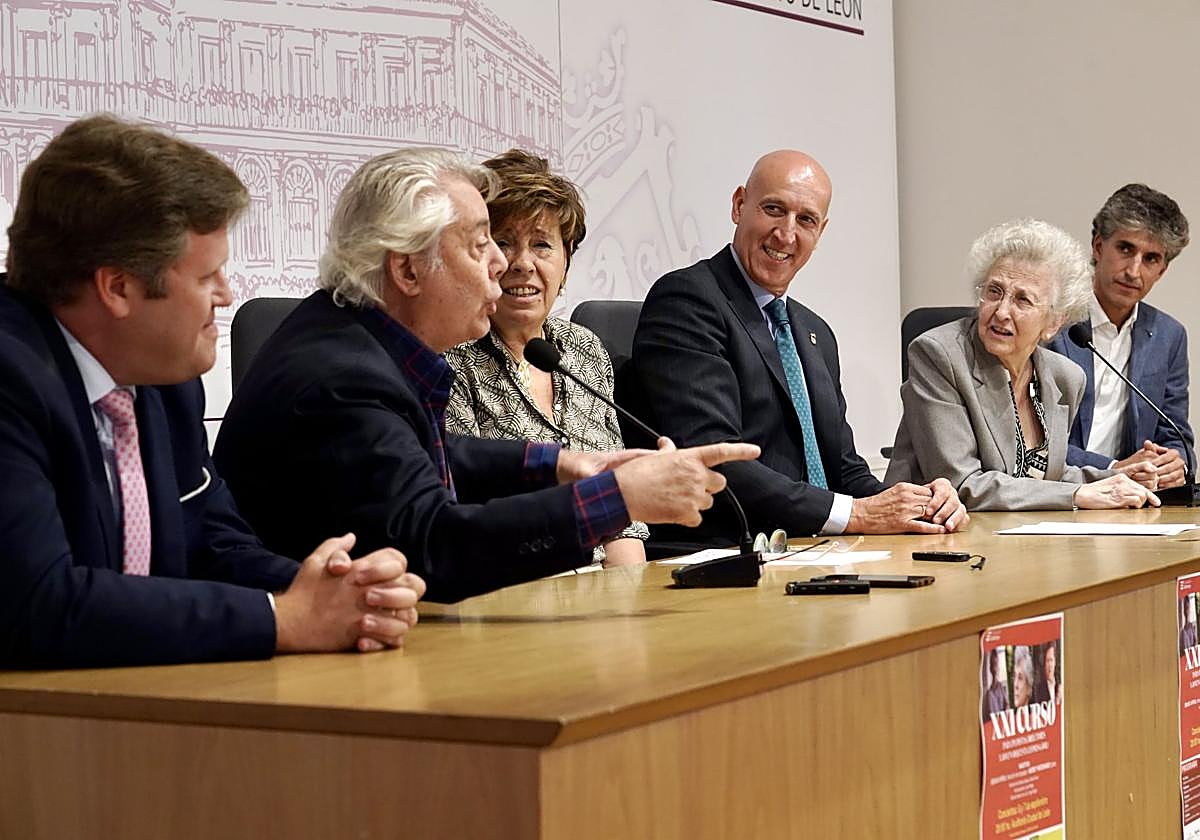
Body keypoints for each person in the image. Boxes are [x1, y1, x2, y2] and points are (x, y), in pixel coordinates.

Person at [215, 148, 759, 602]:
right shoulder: (343, 376)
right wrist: (616, 498)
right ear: (407, 269)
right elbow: (438, 550)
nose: (501, 264)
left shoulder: (352, 337)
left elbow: (433, 455)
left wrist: (566, 465)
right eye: (482, 245)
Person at [0, 115, 424, 668]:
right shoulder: (11, 377)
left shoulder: (161, 376)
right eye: (207, 278)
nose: (226, 296)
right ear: (118, 287)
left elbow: (213, 543)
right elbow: (38, 605)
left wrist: (339, 591)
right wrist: (283, 620)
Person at [632, 149, 968, 544]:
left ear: (820, 232)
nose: (787, 234)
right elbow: (715, 460)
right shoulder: (688, 300)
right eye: (774, 209)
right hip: (730, 552)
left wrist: (920, 505)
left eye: (805, 219)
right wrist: (856, 514)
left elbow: (844, 470)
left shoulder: (813, 331)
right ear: (739, 205)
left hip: (814, 550)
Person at [444, 149, 647, 567]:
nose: (522, 263)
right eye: (502, 243)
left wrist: (627, 603)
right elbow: (463, 512)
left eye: (541, 244)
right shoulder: (449, 357)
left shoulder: (582, 349)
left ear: (566, 262)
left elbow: (620, 517)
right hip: (506, 585)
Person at [886, 219, 1160, 510]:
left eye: (1022, 300)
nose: (1002, 311)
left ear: (1054, 322)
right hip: (934, 537)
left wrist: (1114, 478)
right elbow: (961, 483)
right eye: (994, 291)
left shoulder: (1064, 378)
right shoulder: (939, 355)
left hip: (1021, 536)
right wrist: (1076, 496)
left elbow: (1043, 476)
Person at [1048, 184, 1192, 486]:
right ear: (1098, 247)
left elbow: (1176, 434)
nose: (1133, 271)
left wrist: (1173, 462)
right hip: (1057, 491)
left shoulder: (1169, 336)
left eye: (1151, 258)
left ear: (1162, 270)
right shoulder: (1051, 321)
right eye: (1125, 249)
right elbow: (1030, 441)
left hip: (1126, 501)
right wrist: (1113, 467)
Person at [981, 646, 1009, 724]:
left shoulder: (1001, 688)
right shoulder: (988, 694)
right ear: (990, 668)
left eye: (996, 665)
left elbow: (1007, 704)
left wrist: (1005, 712)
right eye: (993, 665)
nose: (995, 668)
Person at [1032, 642, 1062, 706]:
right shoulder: (1038, 691)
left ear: (1055, 662)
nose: (1049, 665)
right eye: (1047, 661)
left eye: (1051, 660)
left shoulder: (1060, 686)